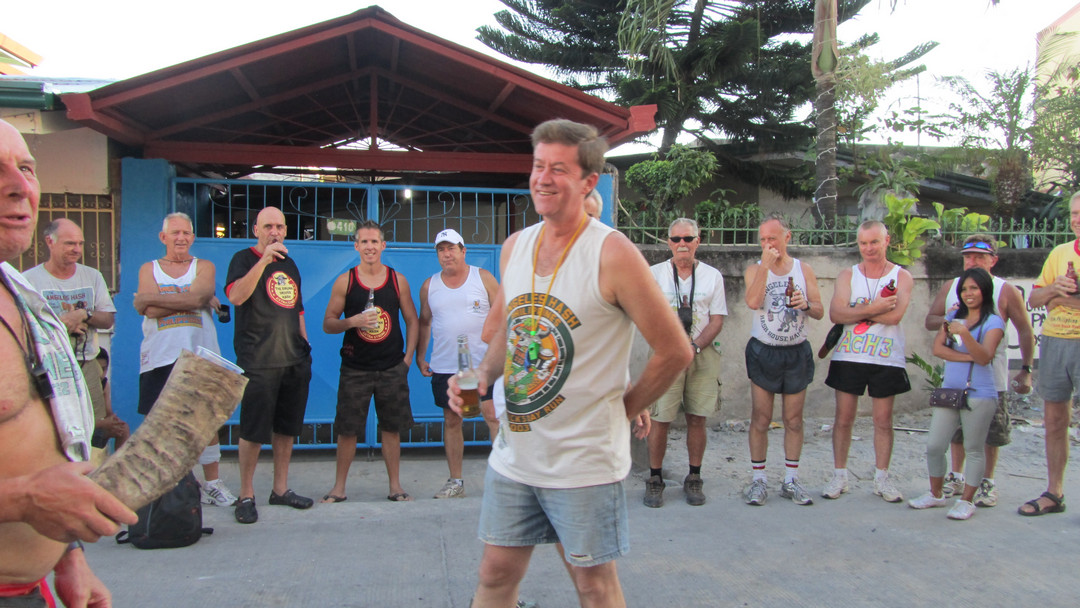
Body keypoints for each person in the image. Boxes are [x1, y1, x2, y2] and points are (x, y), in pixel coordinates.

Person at [448, 119, 691, 608]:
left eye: (558, 168)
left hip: (583, 462)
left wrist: (623, 409)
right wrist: (484, 374)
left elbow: (676, 350)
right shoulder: (516, 246)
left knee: (593, 587)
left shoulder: (612, 253)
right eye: (538, 165)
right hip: (516, 453)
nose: (543, 178)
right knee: (494, 574)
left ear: (587, 182)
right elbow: (511, 326)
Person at [0, 118, 137, 607]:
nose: (19, 187)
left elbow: (35, 440)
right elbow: (31, 487)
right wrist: (24, 499)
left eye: (26, 168)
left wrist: (67, 555)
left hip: (30, 588)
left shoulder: (20, 295)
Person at [133, 212, 238, 508]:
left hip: (199, 354)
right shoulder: (149, 268)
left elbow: (186, 299)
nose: (181, 238)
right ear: (163, 237)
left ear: (193, 237)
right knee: (160, 423)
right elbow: (152, 310)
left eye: (186, 233)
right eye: (175, 233)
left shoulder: (203, 266)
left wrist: (151, 299)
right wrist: (190, 299)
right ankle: (171, 487)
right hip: (159, 356)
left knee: (205, 422)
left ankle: (212, 484)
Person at [924, 234, 1035, 507]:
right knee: (956, 430)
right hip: (955, 376)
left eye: (979, 257)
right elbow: (930, 320)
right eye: (967, 257)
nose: (972, 261)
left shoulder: (1005, 290)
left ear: (993, 260)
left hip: (990, 378)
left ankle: (987, 481)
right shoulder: (952, 287)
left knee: (989, 433)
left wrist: (1026, 368)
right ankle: (956, 476)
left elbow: (1024, 329)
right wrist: (950, 317)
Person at [225, 206, 314, 524]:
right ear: (256, 230)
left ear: (286, 230)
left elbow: (297, 309)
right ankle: (246, 494)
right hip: (258, 360)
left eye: (279, 226)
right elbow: (236, 297)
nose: (274, 232)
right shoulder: (242, 259)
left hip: (293, 359)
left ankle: (280, 489)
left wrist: (305, 349)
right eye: (267, 227)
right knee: (252, 430)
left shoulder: (290, 264)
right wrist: (263, 260)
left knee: (286, 429)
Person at [320, 220, 418, 503]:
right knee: (347, 430)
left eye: (374, 241)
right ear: (356, 246)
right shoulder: (345, 281)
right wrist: (352, 322)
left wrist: (407, 360)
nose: (370, 247)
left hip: (391, 367)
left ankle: (395, 487)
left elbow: (413, 321)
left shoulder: (398, 280)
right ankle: (339, 488)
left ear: (383, 245)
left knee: (391, 429)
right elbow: (328, 323)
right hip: (355, 368)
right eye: (364, 242)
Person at [822, 220, 913, 503]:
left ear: (887, 241)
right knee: (843, 419)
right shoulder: (847, 275)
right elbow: (836, 314)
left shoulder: (901, 276)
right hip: (849, 355)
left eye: (874, 242)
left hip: (886, 356)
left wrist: (856, 310)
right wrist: (875, 308)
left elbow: (894, 317)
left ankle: (882, 478)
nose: (868, 248)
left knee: (883, 421)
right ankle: (839, 475)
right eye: (863, 243)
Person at [643, 217, 726, 508]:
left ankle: (694, 476)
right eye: (676, 239)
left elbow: (717, 320)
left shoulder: (713, 276)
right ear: (668, 242)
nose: (682, 244)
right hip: (666, 355)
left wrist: (693, 347)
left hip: (702, 353)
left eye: (688, 239)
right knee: (660, 418)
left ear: (697, 242)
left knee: (697, 417)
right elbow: (646, 316)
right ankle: (655, 479)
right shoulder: (654, 274)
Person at [741, 214, 824, 506]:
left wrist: (806, 304)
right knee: (761, 418)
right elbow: (753, 302)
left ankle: (791, 479)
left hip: (796, 351)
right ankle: (758, 480)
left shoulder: (804, 269)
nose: (767, 245)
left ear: (786, 237)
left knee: (793, 419)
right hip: (764, 350)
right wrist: (765, 266)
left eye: (772, 239)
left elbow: (819, 311)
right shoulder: (755, 269)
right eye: (763, 240)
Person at [910, 267, 1005, 520]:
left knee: (973, 448)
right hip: (950, 390)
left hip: (979, 392)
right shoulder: (953, 316)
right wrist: (967, 356)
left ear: (985, 290)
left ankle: (967, 500)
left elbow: (985, 356)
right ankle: (936, 493)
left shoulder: (993, 322)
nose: (968, 293)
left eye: (974, 288)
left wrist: (965, 335)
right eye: (964, 289)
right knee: (934, 445)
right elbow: (938, 349)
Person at [417, 228, 499, 499]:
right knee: (452, 420)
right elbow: (424, 322)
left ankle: (504, 482)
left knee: (492, 416)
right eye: (441, 249)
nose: (446, 254)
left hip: (483, 365)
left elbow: (503, 314)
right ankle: (456, 482)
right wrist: (420, 355)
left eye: (451, 248)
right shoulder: (429, 286)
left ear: (463, 251)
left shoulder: (483, 278)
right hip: (446, 366)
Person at [1019, 191, 1080, 516]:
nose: (1077, 220)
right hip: (1055, 341)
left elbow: (1054, 302)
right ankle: (1054, 493)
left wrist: (1059, 300)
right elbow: (1035, 299)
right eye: (1074, 213)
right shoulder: (1060, 253)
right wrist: (1054, 291)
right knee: (1055, 421)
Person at [23, 218, 116, 424]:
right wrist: (61, 324)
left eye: (80, 243)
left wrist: (84, 315)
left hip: (87, 364)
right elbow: (22, 329)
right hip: (49, 368)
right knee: (53, 426)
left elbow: (108, 319)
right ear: (50, 241)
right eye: (70, 243)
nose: (77, 249)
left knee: (95, 427)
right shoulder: (29, 281)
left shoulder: (92, 276)